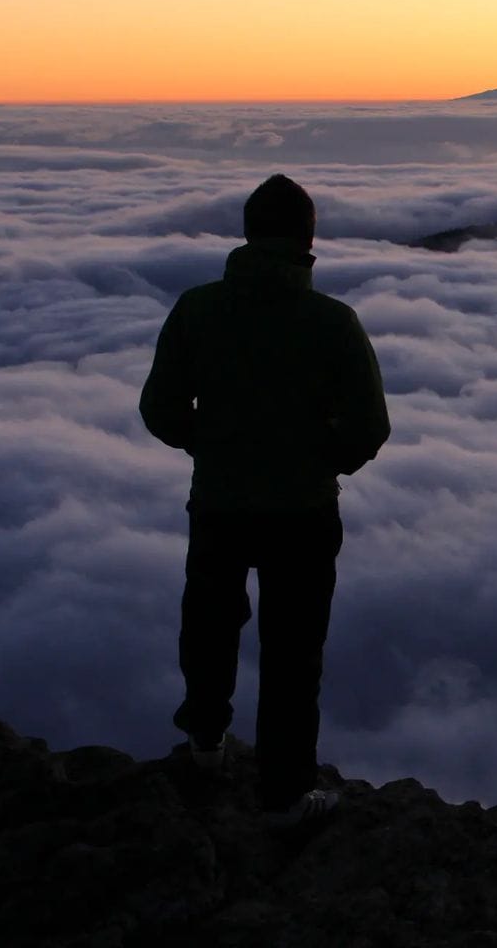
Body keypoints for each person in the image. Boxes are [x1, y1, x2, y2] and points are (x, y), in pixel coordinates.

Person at [140, 174, 390, 826]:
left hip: (218, 504)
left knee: (210, 625)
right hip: (303, 514)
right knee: (292, 653)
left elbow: (160, 409)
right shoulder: (333, 323)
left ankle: (203, 743)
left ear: (247, 235)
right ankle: (283, 796)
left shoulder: (197, 309)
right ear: (309, 241)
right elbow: (369, 429)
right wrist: (319, 461)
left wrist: (210, 446)